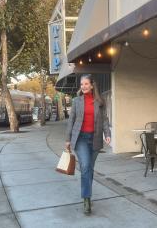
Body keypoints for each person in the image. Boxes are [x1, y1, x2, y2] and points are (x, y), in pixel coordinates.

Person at [65, 74, 111, 215]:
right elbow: (71, 120)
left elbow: (104, 120)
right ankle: (86, 199)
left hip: (95, 138)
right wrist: (68, 138)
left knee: (89, 169)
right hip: (81, 139)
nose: (83, 86)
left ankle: (87, 194)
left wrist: (107, 134)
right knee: (85, 166)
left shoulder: (99, 101)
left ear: (91, 85)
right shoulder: (76, 101)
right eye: (81, 84)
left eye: (86, 84)